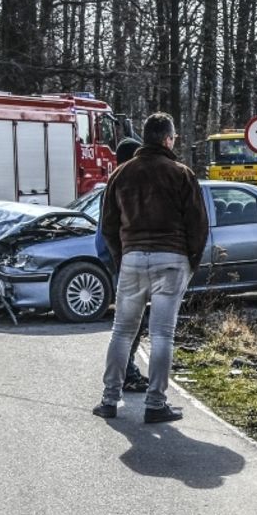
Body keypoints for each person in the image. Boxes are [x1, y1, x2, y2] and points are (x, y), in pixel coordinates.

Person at [93, 114, 208, 423]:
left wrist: (123, 257)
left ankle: (108, 399)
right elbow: (198, 226)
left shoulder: (121, 174)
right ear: (168, 139)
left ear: (145, 138)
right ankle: (155, 404)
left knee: (121, 332)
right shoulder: (181, 174)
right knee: (161, 335)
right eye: (174, 138)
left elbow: (108, 226)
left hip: (132, 258)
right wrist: (190, 263)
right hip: (171, 259)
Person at [94, 137, 150, 393]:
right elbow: (103, 237)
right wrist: (119, 264)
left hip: (126, 265)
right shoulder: (118, 189)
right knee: (130, 324)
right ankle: (124, 374)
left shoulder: (118, 186)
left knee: (135, 323)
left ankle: (126, 372)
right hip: (126, 267)